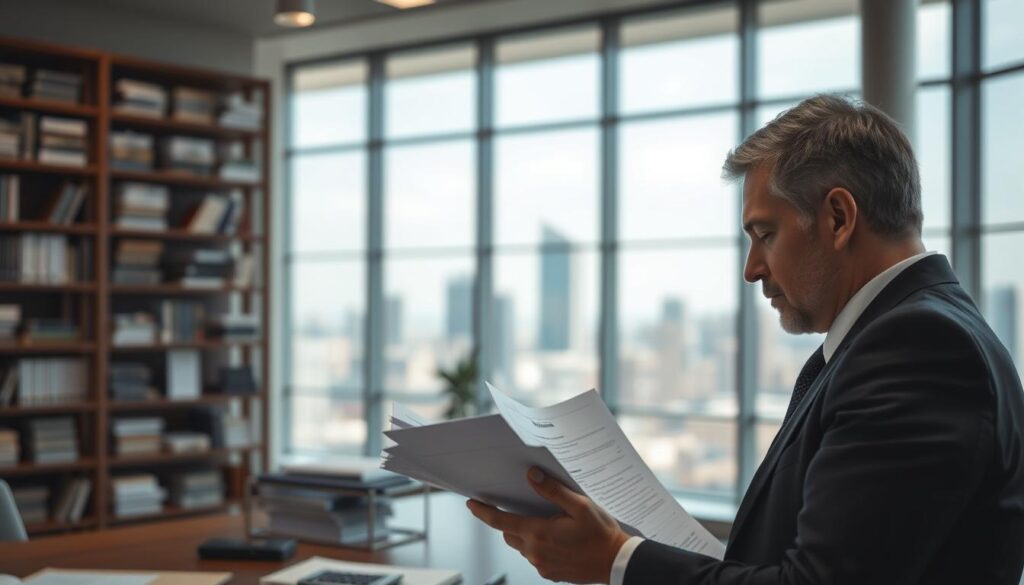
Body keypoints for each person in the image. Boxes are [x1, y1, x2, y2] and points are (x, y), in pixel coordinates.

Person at [467, 94, 1024, 585]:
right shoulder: (899, 335)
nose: (752, 269)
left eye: (765, 234)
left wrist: (617, 559)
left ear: (837, 217)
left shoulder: (918, 348)